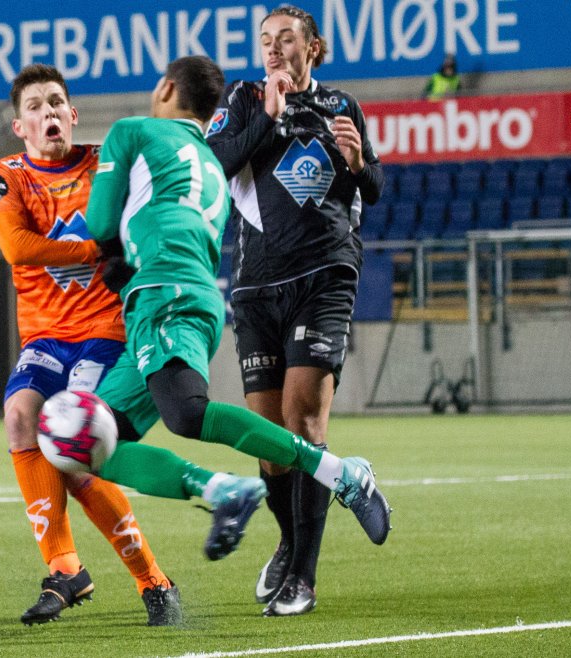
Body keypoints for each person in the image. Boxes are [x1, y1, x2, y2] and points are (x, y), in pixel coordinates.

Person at [83, 54, 390, 599]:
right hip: (186, 296)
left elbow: (100, 223)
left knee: (186, 412)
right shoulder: (208, 158)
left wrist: (111, 254)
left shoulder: (133, 132)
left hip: (164, 292)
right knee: (88, 443)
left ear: (166, 88)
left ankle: (334, 472)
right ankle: (221, 489)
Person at [0, 63, 179, 627]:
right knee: (19, 417)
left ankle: (153, 581)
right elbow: (18, 247)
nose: (47, 112)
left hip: (104, 334)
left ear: (72, 114)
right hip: (45, 336)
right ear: (19, 126)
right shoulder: (3, 174)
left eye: (55, 103)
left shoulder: (106, 166)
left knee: (71, 449)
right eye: (35, 106)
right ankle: (65, 568)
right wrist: (94, 250)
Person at [204, 5, 387, 616]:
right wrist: (268, 116)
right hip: (257, 286)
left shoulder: (342, 105)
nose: (274, 48)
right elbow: (215, 166)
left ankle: (303, 577)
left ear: (313, 47)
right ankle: (290, 542)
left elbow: (373, 188)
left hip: (324, 276)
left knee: (303, 420)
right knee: (271, 442)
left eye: (286, 38)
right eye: (266, 40)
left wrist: (359, 164)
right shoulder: (243, 100)